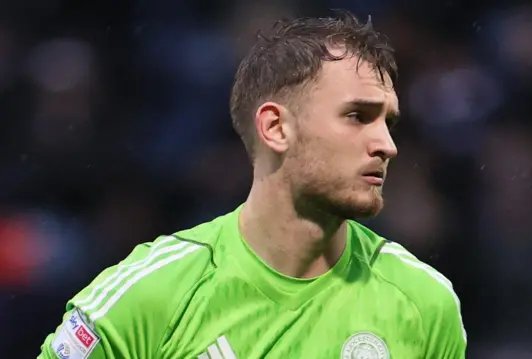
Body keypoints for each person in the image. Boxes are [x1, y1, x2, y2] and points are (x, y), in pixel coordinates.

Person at [39, 11, 466, 359]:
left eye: (388, 122)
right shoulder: (152, 294)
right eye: (357, 116)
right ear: (276, 127)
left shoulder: (424, 302)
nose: (387, 145)